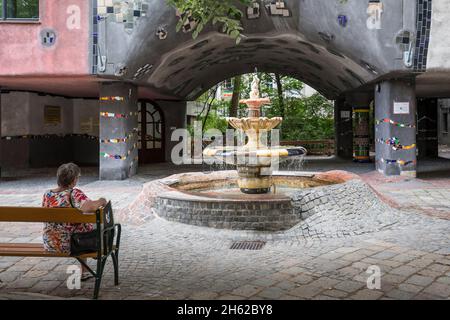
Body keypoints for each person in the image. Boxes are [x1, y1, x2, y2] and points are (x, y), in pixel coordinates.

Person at [42, 163, 107, 281]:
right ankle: (90, 259)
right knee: (95, 224)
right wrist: (102, 200)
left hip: (50, 243)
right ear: (74, 180)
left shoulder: (48, 194)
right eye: (77, 177)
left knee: (80, 225)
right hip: (71, 244)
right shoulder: (74, 193)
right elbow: (91, 207)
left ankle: (85, 270)